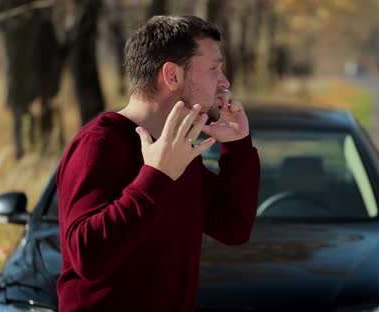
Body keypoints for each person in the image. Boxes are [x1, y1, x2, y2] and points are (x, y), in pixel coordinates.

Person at [56, 15, 260, 311]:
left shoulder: (177, 149)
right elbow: (86, 255)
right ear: (172, 76)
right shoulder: (99, 143)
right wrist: (156, 176)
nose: (225, 81)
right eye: (214, 69)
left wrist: (238, 146)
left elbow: (234, 228)